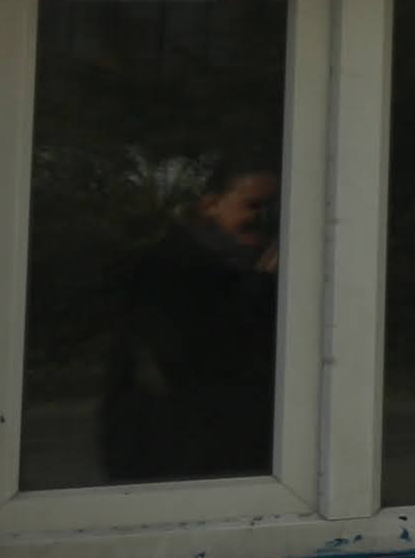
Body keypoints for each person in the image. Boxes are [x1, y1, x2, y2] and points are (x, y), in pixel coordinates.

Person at [97, 166, 282, 482]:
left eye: (274, 209)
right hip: (177, 458)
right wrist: (260, 287)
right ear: (210, 205)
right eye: (253, 206)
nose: (264, 219)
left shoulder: (242, 263)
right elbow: (193, 355)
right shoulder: (167, 267)